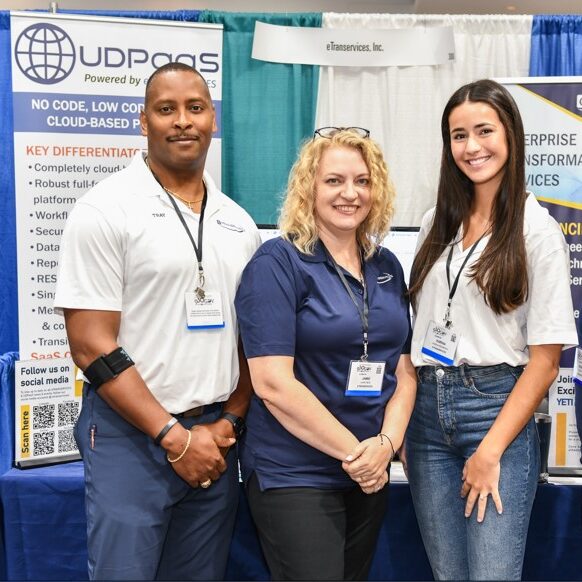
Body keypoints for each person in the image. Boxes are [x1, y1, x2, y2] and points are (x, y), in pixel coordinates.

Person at [53, 62, 261, 580]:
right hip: (133, 439)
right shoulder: (105, 210)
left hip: (214, 437)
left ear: (214, 119)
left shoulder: (239, 223)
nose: (183, 121)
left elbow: (251, 342)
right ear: (143, 122)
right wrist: (172, 435)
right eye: (166, 110)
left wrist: (229, 422)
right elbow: (90, 345)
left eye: (195, 108)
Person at [405, 79, 578, 581]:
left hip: (495, 411)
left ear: (511, 136)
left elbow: (546, 362)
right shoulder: (435, 222)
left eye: (484, 131)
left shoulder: (536, 231)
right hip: (427, 418)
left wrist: (491, 450)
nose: (472, 146)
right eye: (458, 135)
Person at [234, 127, 417, 581]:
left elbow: (404, 371)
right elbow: (273, 384)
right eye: (334, 181)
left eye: (362, 181)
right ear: (308, 189)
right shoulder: (277, 263)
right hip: (295, 472)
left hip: (367, 471)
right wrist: (359, 454)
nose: (349, 193)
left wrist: (387, 445)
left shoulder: (387, 266)